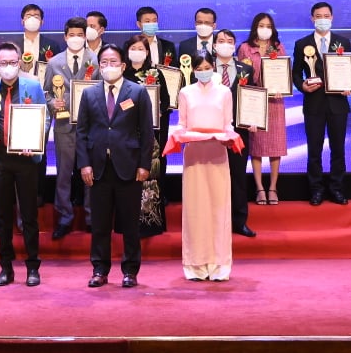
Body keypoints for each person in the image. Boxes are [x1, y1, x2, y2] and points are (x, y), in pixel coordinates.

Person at [77, 43, 153, 288]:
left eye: (113, 62)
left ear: (123, 65)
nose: (108, 66)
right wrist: (84, 164)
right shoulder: (89, 94)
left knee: (130, 224)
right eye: (104, 62)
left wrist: (144, 165)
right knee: (99, 224)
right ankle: (99, 269)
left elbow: (147, 132)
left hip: (129, 167)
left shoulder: (137, 92)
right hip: (98, 168)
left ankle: (130, 271)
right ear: (99, 66)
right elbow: (81, 132)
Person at [0, 41, 47, 287]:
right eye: (4, 63)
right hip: (0, 159)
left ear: (20, 62)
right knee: (4, 216)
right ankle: (5, 268)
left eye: (12, 62)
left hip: (26, 158)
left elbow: (45, 118)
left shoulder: (33, 86)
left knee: (29, 215)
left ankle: (33, 267)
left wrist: (36, 140)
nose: (8, 66)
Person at [172, 51, 236, 281]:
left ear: (214, 68)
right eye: (199, 69)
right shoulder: (185, 92)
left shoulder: (225, 92)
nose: (203, 72)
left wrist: (229, 137)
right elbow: (182, 124)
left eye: (207, 67)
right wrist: (180, 136)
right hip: (194, 155)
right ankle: (195, 265)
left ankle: (219, 265)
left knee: (219, 207)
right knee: (195, 208)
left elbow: (228, 124)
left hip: (218, 153)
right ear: (193, 70)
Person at [292, 1, 351, 205]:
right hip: (314, 103)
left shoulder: (343, 42)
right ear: (312, 18)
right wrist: (302, 86)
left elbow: (349, 70)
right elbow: (295, 73)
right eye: (318, 16)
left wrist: (348, 85)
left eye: (326, 16)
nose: (323, 19)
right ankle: (316, 190)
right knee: (314, 150)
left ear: (332, 17)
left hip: (338, 103)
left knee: (338, 149)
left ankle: (337, 188)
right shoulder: (302, 43)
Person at [46, 16, 96, 238]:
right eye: (72, 35)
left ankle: (91, 218)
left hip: (91, 127)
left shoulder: (95, 60)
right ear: (65, 37)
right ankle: (64, 218)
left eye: (80, 35)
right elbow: (46, 93)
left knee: (90, 173)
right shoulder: (54, 63)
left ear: (86, 37)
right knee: (64, 174)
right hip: (64, 125)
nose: (76, 38)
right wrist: (52, 103)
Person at [239, 12, 289, 205]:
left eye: (268, 26)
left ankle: (273, 187)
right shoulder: (245, 48)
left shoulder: (278, 47)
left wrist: (281, 88)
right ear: (255, 27)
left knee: (276, 146)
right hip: (254, 101)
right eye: (261, 25)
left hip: (275, 102)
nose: (265, 29)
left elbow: (285, 72)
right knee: (257, 147)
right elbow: (242, 75)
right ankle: (260, 188)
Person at [213, 27, 257, 237]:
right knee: (212, 179)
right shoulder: (204, 67)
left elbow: (251, 97)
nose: (225, 44)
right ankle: (214, 222)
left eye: (229, 41)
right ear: (214, 45)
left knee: (238, 176)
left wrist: (253, 118)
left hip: (238, 131)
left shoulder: (245, 69)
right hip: (211, 132)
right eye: (221, 40)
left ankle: (239, 221)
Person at [121, 33, 167, 237]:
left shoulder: (156, 73)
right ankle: (126, 223)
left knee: (150, 178)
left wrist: (157, 111)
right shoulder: (121, 74)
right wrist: (133, 107)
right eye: (133, 48)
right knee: (127, 178)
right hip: (126, 133)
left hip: (150, 135)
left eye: (141, 49)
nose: (137, 52)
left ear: (147, 52)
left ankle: (150, 222)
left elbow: (166, 102)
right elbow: (116, 102)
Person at [15, 3, 57, 72]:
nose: (32, 19)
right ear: (22, 22)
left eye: (36, 16)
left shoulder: (52, 45)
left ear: (42, 22)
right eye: (28, 16)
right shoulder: (13, 45)